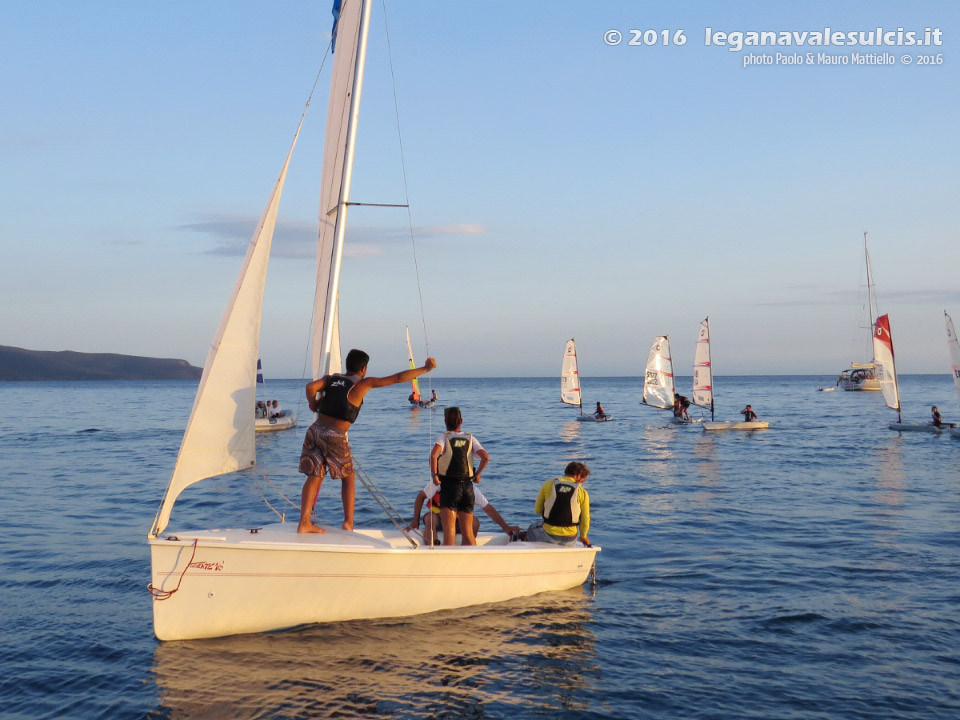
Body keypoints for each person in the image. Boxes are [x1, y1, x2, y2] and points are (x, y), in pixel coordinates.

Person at [298, 349, 437, 534]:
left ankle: (304, 522)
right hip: (335, 435)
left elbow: (310, 388)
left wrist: (313, 404)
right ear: (363, 368)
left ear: (347, 364)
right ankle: (348, 522)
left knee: (314, 476)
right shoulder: (362, 384)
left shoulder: (330, 379)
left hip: (314, 431)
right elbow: (397, 378)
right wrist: (425, 369)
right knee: (348, 478)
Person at [430, 406, 489, 546]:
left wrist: (434, 475)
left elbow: (433, 455)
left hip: (450, 487)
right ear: (461, 421)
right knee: (468, 533)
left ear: (445, 421)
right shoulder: (470, 438)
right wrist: (478, 474)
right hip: (468, 488)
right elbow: (485, 457)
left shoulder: (443, 438)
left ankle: (449, 566)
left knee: (449, 533)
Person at [404, 480, 519, 545]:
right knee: (430, 518)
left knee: (475, 522)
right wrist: (415, 520)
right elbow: (420, 497)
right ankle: (431, 548)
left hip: (459, 522)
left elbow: (487, 508)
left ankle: (468, 549)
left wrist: (505, 527)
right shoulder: (438, 482)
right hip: (438, 520)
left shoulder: (470, 487)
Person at [525, 461, 591, 547]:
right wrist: (584, 537)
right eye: (581, 481)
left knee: (532, 528)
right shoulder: (583, 492)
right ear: (578, 475)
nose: (580, 484)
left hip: (549, 535)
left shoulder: (548, 484)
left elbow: (538, 510)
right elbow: (585, 519)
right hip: (570, 539)